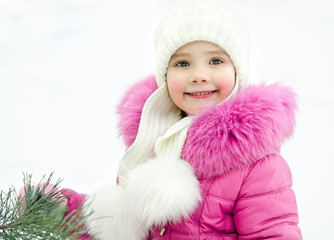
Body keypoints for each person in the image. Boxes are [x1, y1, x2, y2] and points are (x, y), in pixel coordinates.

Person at [60, 0, 303, 239]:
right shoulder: (150, 141)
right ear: (165, 75)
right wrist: (61, 211)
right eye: (182, 63)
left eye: (216, 61)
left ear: (238, 72)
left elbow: (273, 233)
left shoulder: (258, 165)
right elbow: (122, 229)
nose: (198, 75)